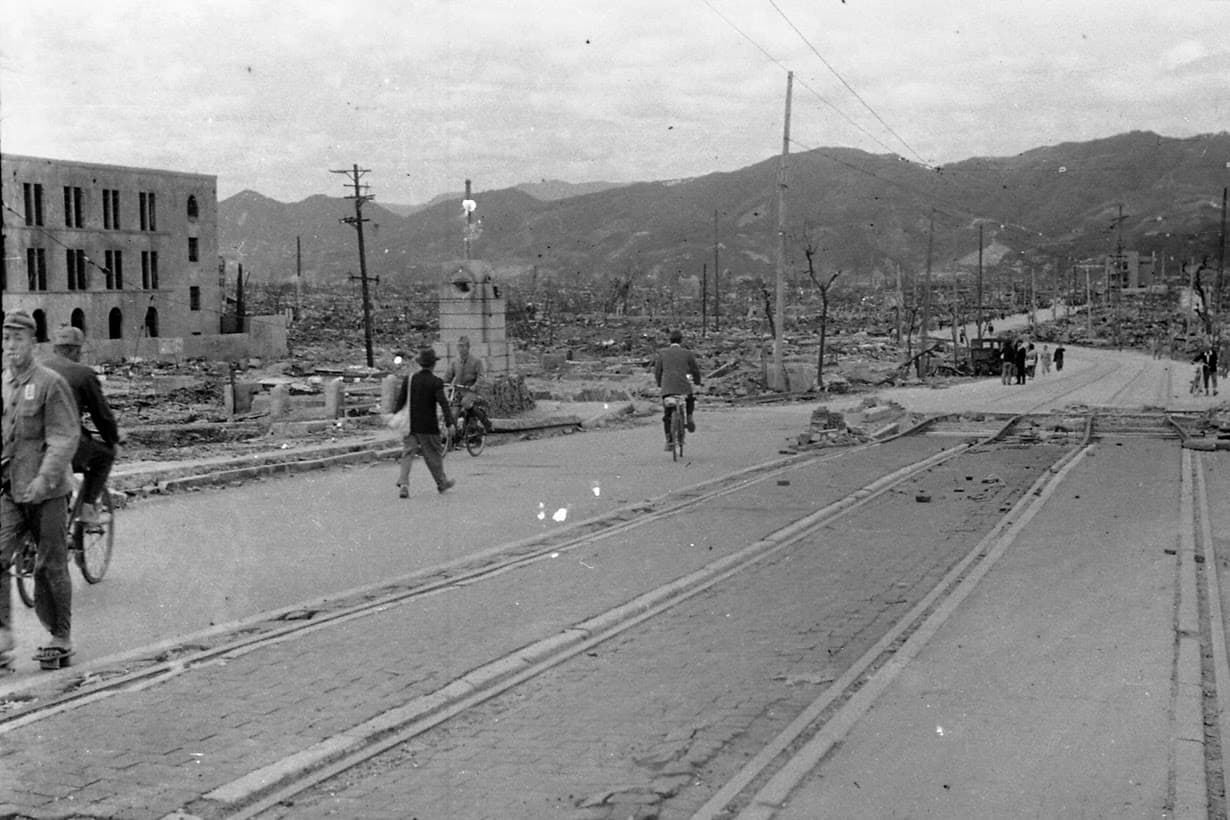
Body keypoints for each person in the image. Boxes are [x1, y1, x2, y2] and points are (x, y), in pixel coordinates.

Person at [1, 311, 80, 671]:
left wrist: (44, 478)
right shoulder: (3, 383)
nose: (11, 346)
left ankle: (59, 636)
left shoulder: (50, 383)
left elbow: (64, 437)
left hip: (46, 492)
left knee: (50, 565)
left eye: (18, 339)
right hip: (10, 488)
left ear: (33, 342)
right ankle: (2, 635)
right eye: (6, 339)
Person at [41, 327, 120, 525]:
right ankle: (87, 509)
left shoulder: (36, 369)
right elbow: (102, 415)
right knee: (105, 455)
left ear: (56, 349)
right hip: (64, 446)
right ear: (76, 350)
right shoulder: (83, 374)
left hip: (30, 444)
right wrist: (114, 439)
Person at [393, 348, 455, 498]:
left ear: (421, 364)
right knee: (433, 455)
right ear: (433, 365)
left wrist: (395, 417)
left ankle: (404, 483)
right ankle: (441, 483)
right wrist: (450, 422)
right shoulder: (436, 382)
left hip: (410, 425)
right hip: (428, 426)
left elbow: (400, 402)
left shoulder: (410, 379)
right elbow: (443, 403)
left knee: (408, 453)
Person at [653, 329, 702, 450]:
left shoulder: (662, 353)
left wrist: (660, 384)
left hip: (667, 387)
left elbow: (657, 371)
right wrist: (697, 382)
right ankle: (689, 416)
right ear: (681, 341)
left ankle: (669, 440)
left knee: (667, 414)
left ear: (670, 341)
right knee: (690, 398)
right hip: (683, 386)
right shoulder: (687, 353)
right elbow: (695, 370)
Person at [442, 335, 492, 435]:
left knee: (465, 403)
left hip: (470, 391)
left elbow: (481, 376)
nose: (460, 349)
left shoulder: (476, 361)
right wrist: (441, 383)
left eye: (462, 346)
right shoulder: (455, 362)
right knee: (453, 412)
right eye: (459, 346)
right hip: (458, 390)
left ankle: (481, 422)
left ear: (468, 347)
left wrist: (475, 386)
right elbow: (448, 376)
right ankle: (452, 438)